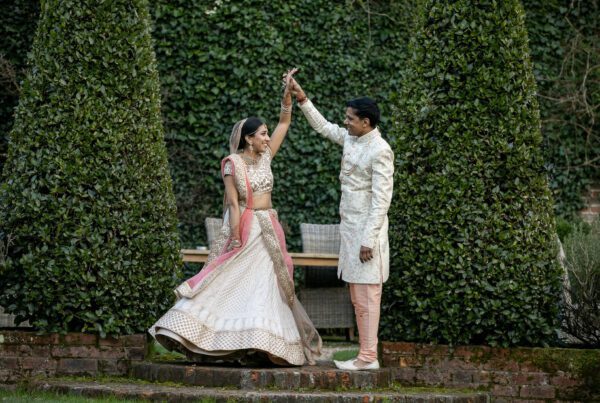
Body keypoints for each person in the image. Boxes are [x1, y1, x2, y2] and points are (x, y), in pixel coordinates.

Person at [150, 69, 322, 366]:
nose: (268, 137)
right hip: (247, 227)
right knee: (231, 282)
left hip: (270, 227)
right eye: (263, 134)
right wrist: (236, 235)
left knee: (265, 285)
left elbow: (285, 121)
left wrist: (288, 95)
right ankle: (198, 332)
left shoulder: (266, 156)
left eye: (268, 133)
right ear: (248, 139)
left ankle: (261, 344)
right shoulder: (232, 164)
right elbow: (232, 202)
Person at [289, 76, 394, 371]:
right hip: (350, 233)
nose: (345, 122)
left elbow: (381, 200)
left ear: (366, 122)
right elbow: (324, 127)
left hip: (366, 238)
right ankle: (365, 355)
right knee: (357, 297)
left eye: (350, 118)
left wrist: (368, 240)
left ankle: (368, 357)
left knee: (368, 297)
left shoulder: (381, 150)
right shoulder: (352, 138)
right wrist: (302, 99)